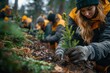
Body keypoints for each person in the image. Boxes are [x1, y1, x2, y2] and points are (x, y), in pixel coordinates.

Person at [55, 0, 110, 72]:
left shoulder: (108, 12)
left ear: (97, 5)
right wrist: (60, 49)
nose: (86, 14)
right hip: (89, 63)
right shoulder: (75, 15)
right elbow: (67, 36)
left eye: (89, 9)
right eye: (82, 10)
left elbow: (108, 42)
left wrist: (88, 51)